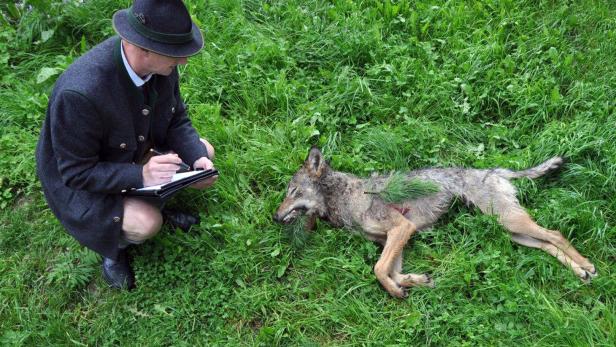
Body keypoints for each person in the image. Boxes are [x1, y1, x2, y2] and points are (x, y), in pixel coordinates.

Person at [35, 0, 217, 290]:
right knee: (147, 223)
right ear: (143, 48)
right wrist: (141, 175)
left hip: (133, 152)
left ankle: (153, 197)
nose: (183, 61)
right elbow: (75, 174)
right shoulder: (80, 93)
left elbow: (176, 118)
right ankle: (114, 248)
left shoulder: (161, 66)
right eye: (176, 54)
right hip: (83, 184)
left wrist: (196, 159)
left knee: (205, 150)